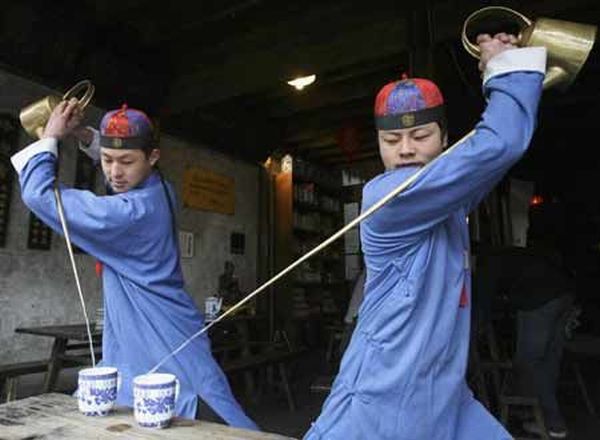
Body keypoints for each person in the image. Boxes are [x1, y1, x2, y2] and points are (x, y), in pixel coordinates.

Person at [304, 34, 546, 440]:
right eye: (391, 140)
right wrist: (507, 71)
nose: (405, 151)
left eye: (420, 137)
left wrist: (498, 68)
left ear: (446, 139)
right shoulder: (388, 198)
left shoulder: (446, 198)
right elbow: (500, 144)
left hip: (443, 392)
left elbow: (483, 163)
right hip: (385, 394)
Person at [11, 103, 258, 429]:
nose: (114, 172)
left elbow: (40, 195)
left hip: (162, 341)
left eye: (126, 162)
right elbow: (122, 159)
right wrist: (83, 134)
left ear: (153, 157)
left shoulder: (131, 214)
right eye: (107, 160)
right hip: (154, 335)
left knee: (218, 423)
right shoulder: (162, 188)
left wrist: (53, 137)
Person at [474, 223, 574, 438]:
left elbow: (482, 304)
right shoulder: (506, 255)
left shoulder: (487, 264)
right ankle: (548, 421)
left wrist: (475, 329)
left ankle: (552, 421)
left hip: (539, 299)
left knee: (529, 362)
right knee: (550, 360)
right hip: (563, 293)